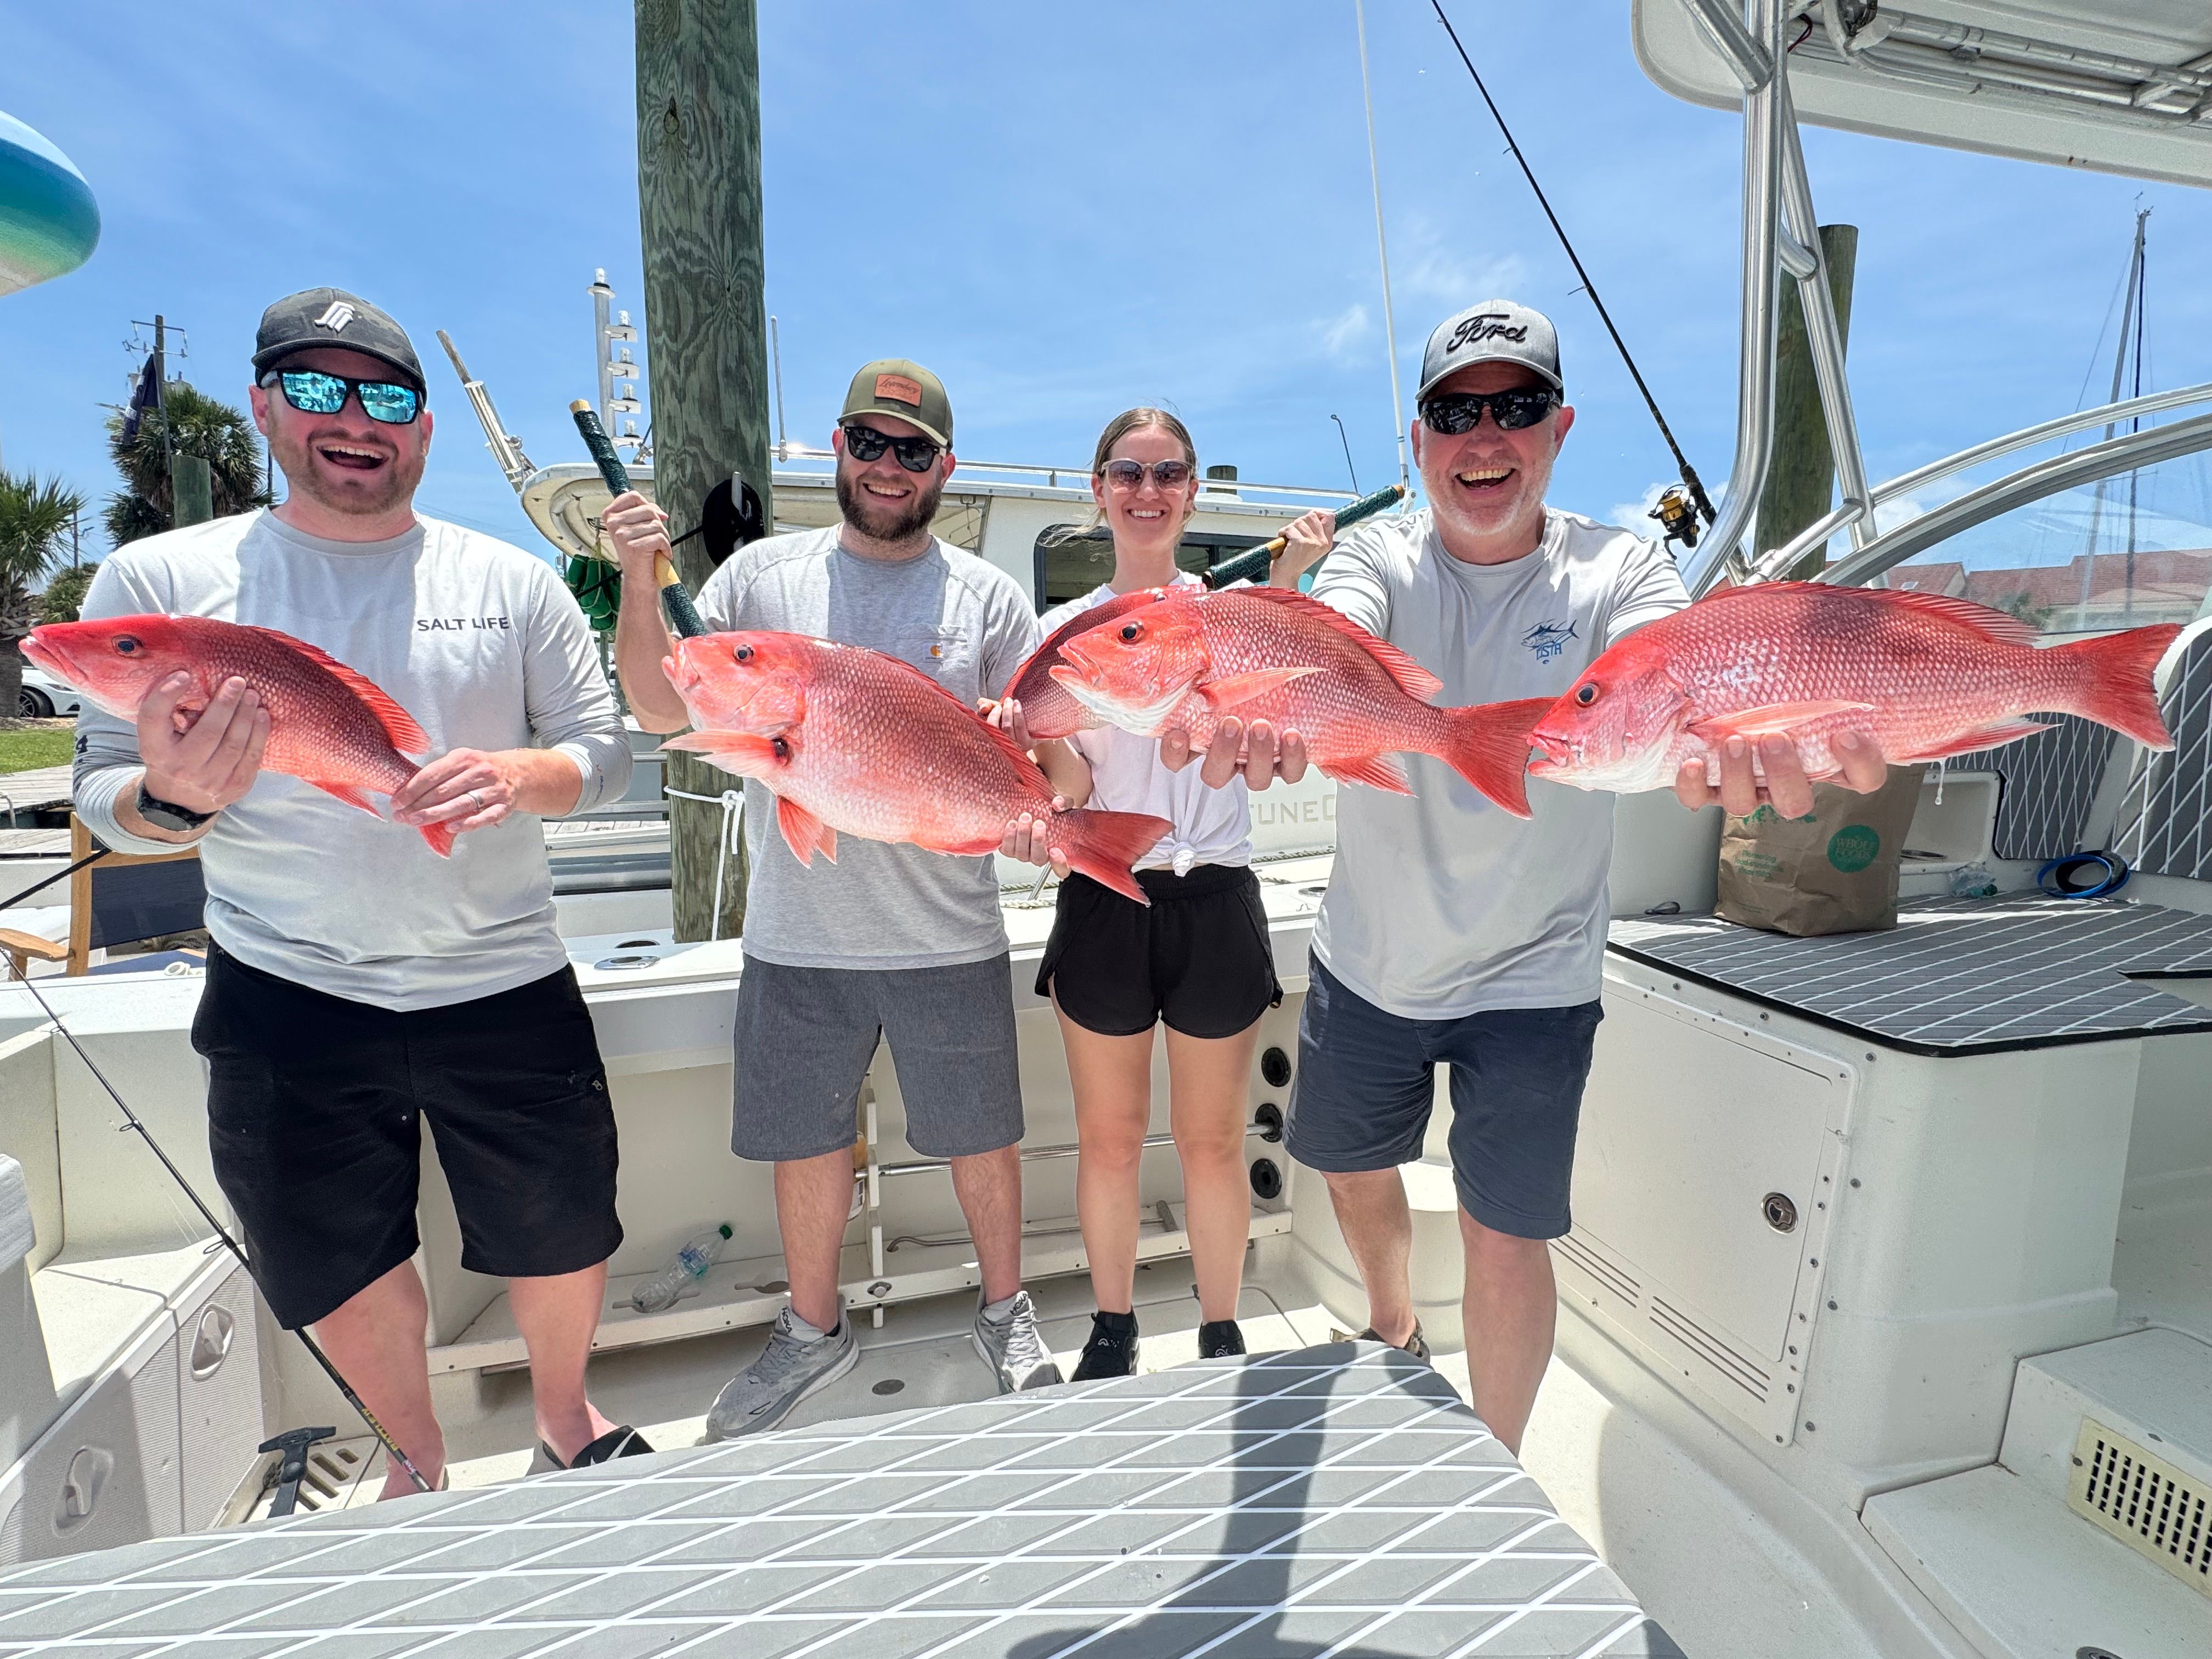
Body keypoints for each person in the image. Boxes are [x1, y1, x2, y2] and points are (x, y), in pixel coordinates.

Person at [1182, 300, 1887, 1454]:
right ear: (1420, 441)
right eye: (1455, 413)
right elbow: (1335, 632)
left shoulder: (1623, 569)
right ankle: (1396, 1325)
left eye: (1515, 408)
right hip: (1373, 960)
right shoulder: (1376, 555)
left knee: (1507, 1232)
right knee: (1349, 1170)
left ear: (1558, 430)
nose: (1485, 438)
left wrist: (1754, 731)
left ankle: (1497, 1467)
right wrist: (1280, 695)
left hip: (1536, 976)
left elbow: (1677, 664)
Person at [72, 287, 645, 1497]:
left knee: (557, 1219)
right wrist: (171, 799)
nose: (354, 419)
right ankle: (412, 1455)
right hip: (287, 984)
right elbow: (100, 797)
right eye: (316, 387)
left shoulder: (511, 579)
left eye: (385, 397)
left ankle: (565, 1415)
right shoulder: (158, 578)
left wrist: (521, 775)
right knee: (334, 1248)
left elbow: (603, 753)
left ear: (423, 429)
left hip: (503, 972)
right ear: (264, 406)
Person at [605, 358, 1080, 1435]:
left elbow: (1052, 760)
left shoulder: (989, 598)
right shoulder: (762, 580)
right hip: (798, 936)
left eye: (913, 450)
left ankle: (1005, 1314)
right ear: (838, 446)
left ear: (944, 467)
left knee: (983, 1136)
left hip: (947, 929)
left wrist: (1041, 798)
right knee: (805, 1142)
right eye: (870, 442)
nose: (887, 465)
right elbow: (658, 701)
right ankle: (810, 1334)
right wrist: (639, 579)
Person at [1017, 408, 1282, 1380]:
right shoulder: (1057, 636)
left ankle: (1221, 1330)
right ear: (1098, 490)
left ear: (1192, 492)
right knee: (1111, 1140)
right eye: (1127, 473)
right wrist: (1035, 743)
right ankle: (1114, 1326)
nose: (1147, 491)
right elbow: (1070, 785)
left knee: (1213, 1141)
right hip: (1105, 896)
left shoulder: (1230, 620)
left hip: (1215, 894)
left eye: (1168, 474)